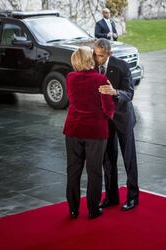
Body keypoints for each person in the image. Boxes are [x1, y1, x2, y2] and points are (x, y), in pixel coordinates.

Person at [64, 46, 115, 219]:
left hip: (73, 129)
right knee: (94, 172)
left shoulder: (70, 77)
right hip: (95, 131)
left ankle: (73, 209)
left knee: (73, 170)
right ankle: (93, 209)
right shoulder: (101, 79)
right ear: (89, 59)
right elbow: (108, 109)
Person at [94, 38, 139, 211]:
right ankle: (111, 197)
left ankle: (133, 197)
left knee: (129, 159)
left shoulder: (121, 65)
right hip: (105, 119)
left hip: (123, 118)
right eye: (96, 55)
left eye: (101, 56)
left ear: (109, 53)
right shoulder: (93, 64)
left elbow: (129, 93)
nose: (97, 59)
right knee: (108, 160)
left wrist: (115, 92)